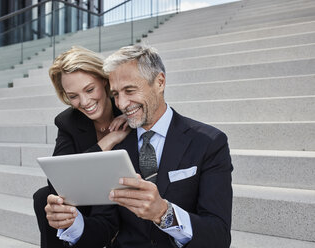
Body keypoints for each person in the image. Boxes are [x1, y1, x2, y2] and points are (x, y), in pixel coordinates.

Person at [45, 44, 233, 247]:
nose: (122, 104)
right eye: (116, 94)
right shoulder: (115, 149)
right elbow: (104, 226)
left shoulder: (209, 142)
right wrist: (74, 224)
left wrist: (164, 213)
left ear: (159, 82)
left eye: (130, 90)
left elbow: (218, 237)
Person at [33, 46, 130, 248]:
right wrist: (108, 140)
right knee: (46, 197)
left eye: (89, 89)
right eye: (73, 96)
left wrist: (130, 118)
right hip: (89, 195)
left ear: (103, 79)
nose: (84, 102)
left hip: (125, 191)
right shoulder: (68, 121)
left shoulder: (128, 105)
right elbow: (58, 182)